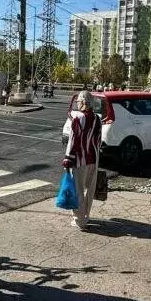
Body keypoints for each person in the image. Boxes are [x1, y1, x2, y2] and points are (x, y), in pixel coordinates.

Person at [62, 90, 102, 230]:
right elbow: (98, 140)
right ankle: (86, 215)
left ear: (83, 102)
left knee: (78, 188)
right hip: (93, 158)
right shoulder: (97, 118)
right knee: (89, 189)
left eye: (78, 102)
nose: (77, 104)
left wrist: (67, 158)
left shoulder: (78, 119)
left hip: (80, 159)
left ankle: (80, 220)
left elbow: (73, 141)